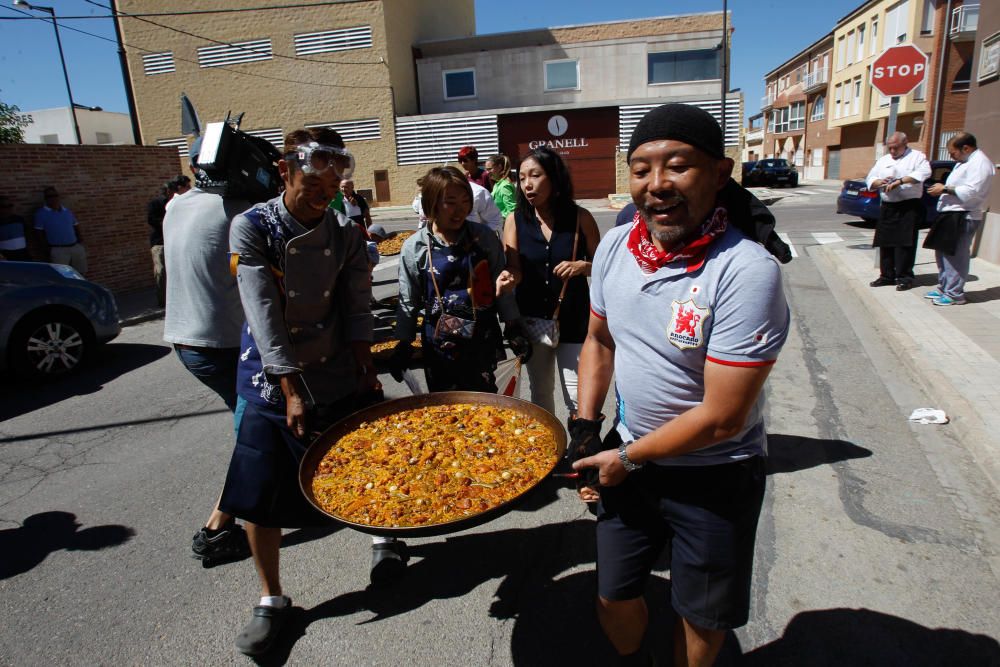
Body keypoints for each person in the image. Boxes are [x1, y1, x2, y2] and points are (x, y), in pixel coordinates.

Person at [569, 103, 790, 667]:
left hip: (717, 475)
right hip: (631, 454)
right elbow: (599, 341)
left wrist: (629, 458)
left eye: (677, 166)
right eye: (641, 169)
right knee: (612, 596)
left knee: (701, 620)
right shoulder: (617, 247)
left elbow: (722, 417)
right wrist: (586, 425)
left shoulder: (745, 270)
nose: (657, 184)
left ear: (720, 173)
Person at [220, 127, 380, 656]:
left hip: (333, 362)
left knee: (370, 464)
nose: (325, 192)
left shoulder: (345, 232)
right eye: (314, 180)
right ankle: (270, 598)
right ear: (285, 172)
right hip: (271, 372)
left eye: (334, 183)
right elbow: (263, 313)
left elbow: (357, 304)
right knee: (259, 494)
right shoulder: (253, 227)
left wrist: (365, 361)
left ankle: (386, 539)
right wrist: (289, 388)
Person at [162, 149, 251, 567]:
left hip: (184, 340)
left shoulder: (176, 205)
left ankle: (284, 492)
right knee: (254, 433)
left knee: (258, 423)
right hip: (222, 345)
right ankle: (217, 528)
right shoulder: (239, 210)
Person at [392, 165, 527, 392]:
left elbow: (501, 285)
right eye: (451, 202)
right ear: (432, 203)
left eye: (465, 201)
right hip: (438, 345)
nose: (460, 210)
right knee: (446, 413)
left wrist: (513, 327)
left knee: (485, 408)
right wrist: (403, 342)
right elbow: (409, 299)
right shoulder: (414, 247)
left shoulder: (483, 237)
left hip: (482, 340)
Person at [502, 146, 600, 417]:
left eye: (535, 176)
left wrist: (583, 266)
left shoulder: (581, 218)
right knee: (541, 392)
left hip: (574, 319)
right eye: (521, 178)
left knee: (577, 396)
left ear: (554, 178)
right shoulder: (515, 221)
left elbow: (603, 267)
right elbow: (514, 268)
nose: (527, 185)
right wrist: (509, 278)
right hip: (532, 320)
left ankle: (580, 451)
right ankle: (551, 454)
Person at [924, 132, 995, 306]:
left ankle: (955, 294)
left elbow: (972, 192)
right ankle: (944, 287)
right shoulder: (965, 161)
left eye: (953, 153)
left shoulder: (980, 164)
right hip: (950, 213)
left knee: (955, 256)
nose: (951, 157)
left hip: (963, 215)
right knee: (942, 253)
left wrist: (944, 189)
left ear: (966, 148)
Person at [866, 132, 931, 291]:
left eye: (896, 148)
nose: (893, 151)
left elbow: (923, 173)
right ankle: (886, 275)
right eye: (890, 148)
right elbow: (871, 177)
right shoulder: (884, 160)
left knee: (905, 244)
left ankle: (904, 277)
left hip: (908, 206)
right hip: (889, 206)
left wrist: (900, 181)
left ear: (905, 143)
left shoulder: (917, 157)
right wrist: (879, 182)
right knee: (885, 242)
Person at [412, 178, 503, 234]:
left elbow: (495, 220)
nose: (460, 211)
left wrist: (480, 237)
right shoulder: (416, 245)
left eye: (465, 201)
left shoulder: (478, 193)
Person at [33, 186, 87, 276]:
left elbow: (75, 225)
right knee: (63, 275)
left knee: (81, 273)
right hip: (58, 250)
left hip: (75, 247)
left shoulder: (67, 211)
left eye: (54, 195)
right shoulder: (41, 214)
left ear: (58, 196)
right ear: (45, 199)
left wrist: (80, 240)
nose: (53, 198)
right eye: (49, 196)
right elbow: (39, 233)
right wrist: (46, 248)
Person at [148, 180, 178, 307]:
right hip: (160, 242)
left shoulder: (176, 203)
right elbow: (151, 220)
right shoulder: (156, 204)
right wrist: (167, 223)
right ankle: (162, 301)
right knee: (161, 271)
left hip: (174, 241)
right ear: (168, 191)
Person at [485, 153, 516, 219]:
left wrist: (496, 217)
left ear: (499, 167)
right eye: (486, 169)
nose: (487, 172)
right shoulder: (497, 184)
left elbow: (512, 211)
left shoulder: (504, 186)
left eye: (489, 169)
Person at [0, 195, 30, 262]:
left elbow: (26, 235)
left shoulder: (19, 219)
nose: (8, 208)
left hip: (23, 255)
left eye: (10, 205)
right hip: (6, 257)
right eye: (4, 206)